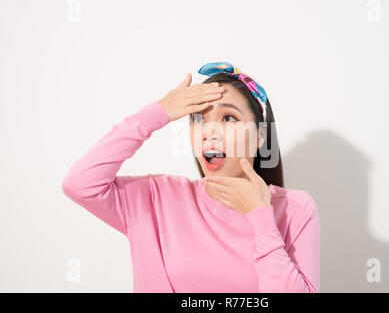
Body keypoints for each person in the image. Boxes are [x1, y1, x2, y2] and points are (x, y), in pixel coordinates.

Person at [62, 61, 320, 293]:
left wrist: (261, 218)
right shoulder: (156, 198)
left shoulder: (294, 209)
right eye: (199, 119)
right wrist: (158, 112)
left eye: (228, 118)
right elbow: (80, 184)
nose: (210, 132)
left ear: (260, 137)